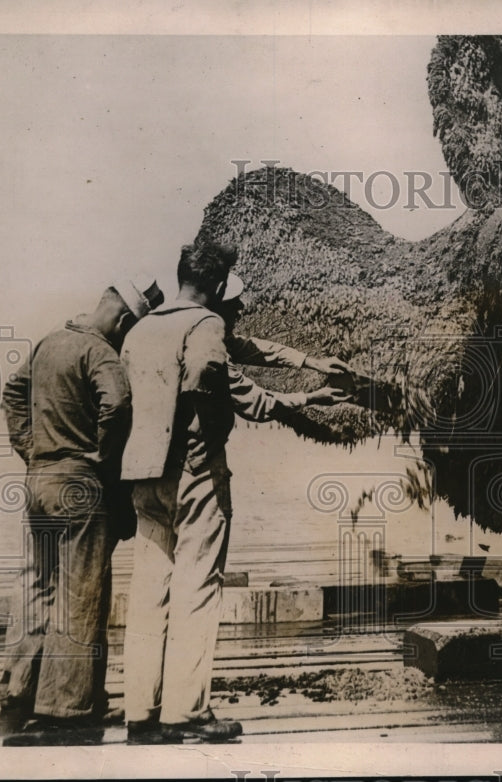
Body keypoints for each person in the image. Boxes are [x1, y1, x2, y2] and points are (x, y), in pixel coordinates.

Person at [120, 241, 349, 744]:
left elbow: (247, 351)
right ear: (220, 286)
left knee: (149, 591)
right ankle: (186, 711)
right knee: (198, 586)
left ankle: (141, 711)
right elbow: (215, 376)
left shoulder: (143, 327)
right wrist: (303, 399)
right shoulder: (205, 326)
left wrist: (309, 362)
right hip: (194, 469)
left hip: (144, 472)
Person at [0, 277, 164, 745]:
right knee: (81, 593)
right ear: (126, 320)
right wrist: (100, 458)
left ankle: (17, 695)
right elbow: (119, 404)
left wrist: (30, 448)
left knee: (38, 586)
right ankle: (66, 710)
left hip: (38, 481)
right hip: (78, 484)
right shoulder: (100, 352)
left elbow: (13, 393)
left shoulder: (50, 341)